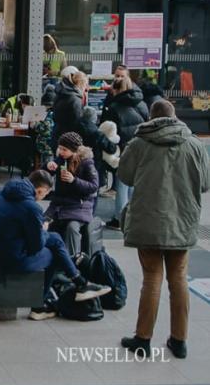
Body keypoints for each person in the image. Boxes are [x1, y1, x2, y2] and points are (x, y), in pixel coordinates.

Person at [119, 100, 210, 359]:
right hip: (182, 220)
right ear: (175, 116)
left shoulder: (139, 144)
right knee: (179, 279)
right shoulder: (194, 144)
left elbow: (125, 176)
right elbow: (205, 183)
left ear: (150, 117)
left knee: (152, 279)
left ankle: (143, 339)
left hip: (148, 220)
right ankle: (179, 340)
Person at [0, 171, 111, 321]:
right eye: (44, 194)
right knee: (54, 252)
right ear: (40, 190)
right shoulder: (31, 207)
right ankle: (40, 305)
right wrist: (42, 229)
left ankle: (80, 282)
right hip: (12, 260)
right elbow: (36, 246)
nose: (42, 198)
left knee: (55, 240)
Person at [101, 75, 149, 223]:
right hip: (140, 146)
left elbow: (108, 131)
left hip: (122, 149)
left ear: (115, 89)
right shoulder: (142, 104)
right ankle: (133, 215)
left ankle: (120, 218)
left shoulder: (115, 107)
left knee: (122, 184)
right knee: (134, 183)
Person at [43, 132, 98, 256]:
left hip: (80, 206)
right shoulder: (61, 160)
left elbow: (94, 187)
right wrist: (47, 167)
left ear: (74, 150)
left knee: (71, 228)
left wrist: (74, 181)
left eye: (64, 149)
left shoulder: (86, 163)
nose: (60, 151)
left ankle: (71, 261)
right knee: (42, 223)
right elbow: (43, 176)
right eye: (59, 148)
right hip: (60, 204)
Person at [52, 70, 87, 145]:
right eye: (85, 85)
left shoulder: (62, 93)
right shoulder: (75, 100)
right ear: (81, 84)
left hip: (57, 133)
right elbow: (76, 122)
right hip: (68, 139)